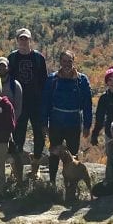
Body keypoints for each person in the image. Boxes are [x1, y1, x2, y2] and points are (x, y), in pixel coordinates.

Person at [41, 50, 93, 187]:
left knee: (73, 155)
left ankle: (72, 186)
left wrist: (87, 125)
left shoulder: (82, 80)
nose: (67, 64)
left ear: (73, 62)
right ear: (60, 62)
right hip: (56, 122)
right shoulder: (52, 79)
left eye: (69, 61)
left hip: (74, 122)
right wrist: (43, 122)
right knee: (53, 154)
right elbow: (45, 102)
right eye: (64, 61)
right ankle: (52, 182)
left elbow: (88, 103)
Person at [8, 28, 48, 181]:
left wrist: (45, 105)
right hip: (19, 104)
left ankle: (35, 169)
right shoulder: (12, 58)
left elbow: (44, 82)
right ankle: (16, 169)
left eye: (26, 39)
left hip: (36, 103)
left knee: (39, 136)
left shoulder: (38, 58)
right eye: (21, 39)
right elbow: (7, 81)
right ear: (17, 40)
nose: (23, 42)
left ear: (30, 40)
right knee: (18, 137)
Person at [0, 56, 25, 185]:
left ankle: (19, 180)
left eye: (4, 66)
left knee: (15, 154)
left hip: (12, 125)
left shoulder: (15, 85)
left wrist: (12, 124)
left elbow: (18, 107)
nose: (2, 68)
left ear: (8, 68)